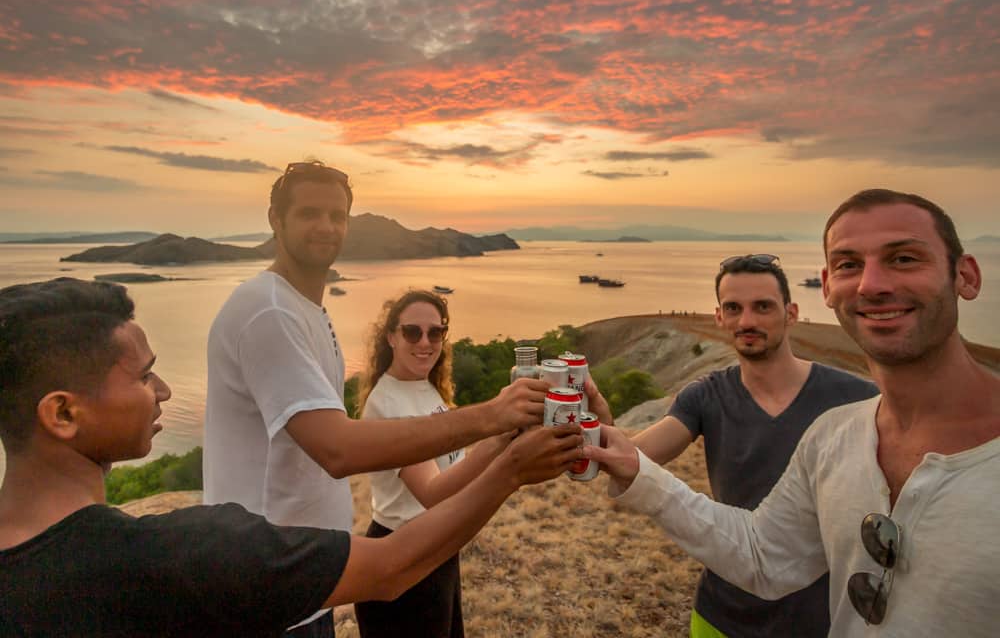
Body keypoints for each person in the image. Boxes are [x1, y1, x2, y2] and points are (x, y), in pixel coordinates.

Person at [0, 278, 582, 637]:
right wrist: (509, 466)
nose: (163, 391)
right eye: (143, 375)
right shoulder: (180, 555)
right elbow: (390, 568)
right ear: (63, 414)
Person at [587, 190, 1000, 636]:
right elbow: (765, 556)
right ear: (827, 287)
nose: (872, 284)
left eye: (904, 258)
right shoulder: (833, 437)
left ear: (966, 276)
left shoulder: (845, 396)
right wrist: (614, 450)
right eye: (848, 264)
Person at [203, 160, 552, 635]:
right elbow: (339, 449)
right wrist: (493, 415)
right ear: (275, 220)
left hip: (302, 578)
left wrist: (500, 431)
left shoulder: (302, 311)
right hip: (267, 585)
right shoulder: (268, 312)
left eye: (337, 215)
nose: (326, 227)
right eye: (308, 213)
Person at [632, 253, 877, 637]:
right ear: (719, 318)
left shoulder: (856, 397)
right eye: (734, 308)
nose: (747, 321)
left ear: (791, 313)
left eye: (763, 307)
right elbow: (637, 456)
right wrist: (594, 430)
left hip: (821, 619)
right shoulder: (705, 397)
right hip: (720, 615)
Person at [353, 290, 507, 637]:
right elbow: (432, 492)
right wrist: (499, 439)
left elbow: (451, 472)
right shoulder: (387, 402)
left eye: (435, 332)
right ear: (391, 336)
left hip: (435, 548)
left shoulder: (426, 387)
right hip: (403, 554)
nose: (425, 342)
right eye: (412, 332)